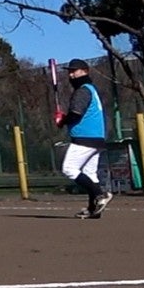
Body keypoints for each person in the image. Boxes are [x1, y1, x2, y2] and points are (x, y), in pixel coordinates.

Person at [57, 58, 112, 219]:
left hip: (85, 139)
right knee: (90, 173)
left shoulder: (82, 90)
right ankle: (93, 209)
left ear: (85, 71)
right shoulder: (91, 89)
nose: (72, 75)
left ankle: (100, 194)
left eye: (75, 71)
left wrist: (63, 120)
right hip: (96, 138)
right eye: (70, 71)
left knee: (69, 168)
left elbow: (76, 114)